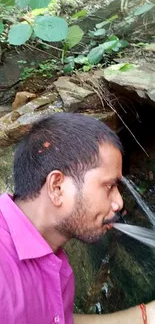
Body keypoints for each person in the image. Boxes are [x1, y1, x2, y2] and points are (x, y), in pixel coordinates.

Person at [0, 112, 154, 324]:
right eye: (109, 186)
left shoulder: (54, 260)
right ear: (57, 187)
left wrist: (146, 316)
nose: (119, 203)